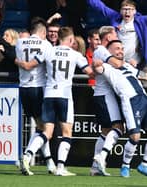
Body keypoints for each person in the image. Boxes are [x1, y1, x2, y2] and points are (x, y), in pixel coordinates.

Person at [19, 26, 94, 176]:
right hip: (65, 95)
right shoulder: (75, 54)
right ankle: (60, 167)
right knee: (67, 132)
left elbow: (31, 65)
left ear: (58, 37)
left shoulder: (48, 50)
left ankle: (27, 155)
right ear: (71, 39)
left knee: (47, 132)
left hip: (48, 94)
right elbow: (90, 73)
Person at [93, 40, 147, 178]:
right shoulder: (107, 67)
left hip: (144, 99)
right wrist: (96, 64)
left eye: (122, 48)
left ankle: (145, 164)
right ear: (108, 52)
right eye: (117, 49)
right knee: (135, 136)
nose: (120, 51)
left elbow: (144, 76)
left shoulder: (127, 65)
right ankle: (125, 167)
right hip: (130, 101)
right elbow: (96, 68)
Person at [87, 0, 147, 87]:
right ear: (120, 11)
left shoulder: (142, 21)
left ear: (134, 11)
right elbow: (100, 7)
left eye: (130, 9)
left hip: (139, 63)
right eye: (124, 9)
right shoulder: (115, 17)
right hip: (118, 62)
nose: (127, 12)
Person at [15, 17, 56, 176]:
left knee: (40, 127)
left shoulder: (20, 42)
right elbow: (36, 65)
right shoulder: (45, 45)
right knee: (46, 129)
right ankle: (27, 156)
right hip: (38, 88)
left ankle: (49, 162)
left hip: (23, 89)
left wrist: (17, 61)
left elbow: (20, 61)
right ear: (43, 32)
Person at [89, 26, 125, 176]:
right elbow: (117, 64)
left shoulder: (99, 52)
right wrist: (126, 63)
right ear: (108, 37)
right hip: (105, 95)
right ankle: (101, 157)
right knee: (118, 127)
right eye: (114, 35)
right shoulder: (102, 51)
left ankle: (95, 167)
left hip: (100, 94)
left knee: (105, 131)